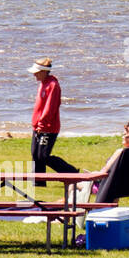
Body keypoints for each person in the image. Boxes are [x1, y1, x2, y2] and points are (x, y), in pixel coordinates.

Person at [28, 57, 77, 187]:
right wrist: (36, 123)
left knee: (43, 156)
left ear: (44, 71)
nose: (34, 74)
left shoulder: (53, 85)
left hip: (48, 127)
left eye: (36, 72)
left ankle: (72, 173)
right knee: (35, 154)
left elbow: (50, 108)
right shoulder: (42, 84)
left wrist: (42, 124)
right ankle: (38, 182)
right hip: (38, 125)